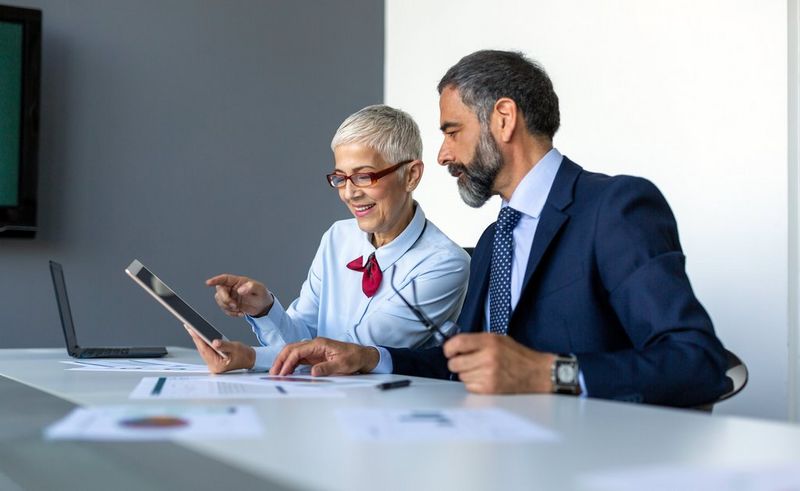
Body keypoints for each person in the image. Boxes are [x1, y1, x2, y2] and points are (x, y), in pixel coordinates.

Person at [268, 50, 732, 408]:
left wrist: (550, 374)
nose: (444, 155)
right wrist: (370, 358)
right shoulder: (495, 240)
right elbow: (461, 364)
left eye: (453, 132)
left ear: (503, 120)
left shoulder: (614, 208)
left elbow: (699, 362)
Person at [187, 104, 470, 373]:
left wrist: (249, 357)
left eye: (364, 177)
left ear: (411, 176)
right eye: (340, 178)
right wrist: (264, 310)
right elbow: (300, 339)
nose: (349, 193)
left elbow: (351, 353)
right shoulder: (339, 237)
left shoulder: (445, 264)